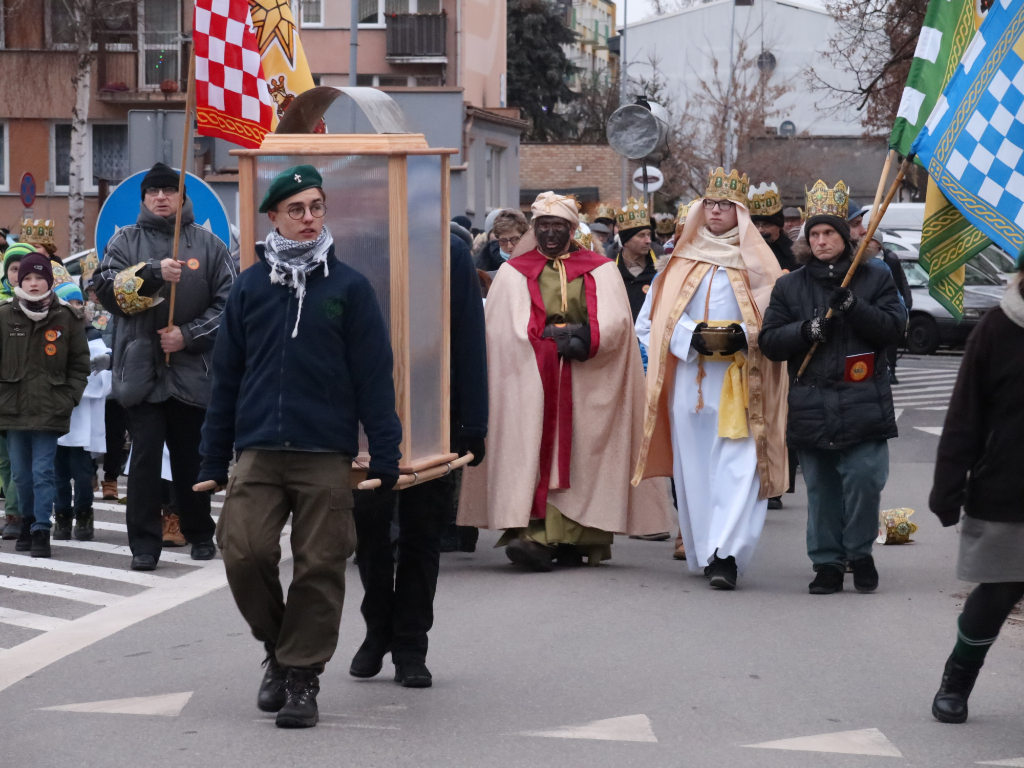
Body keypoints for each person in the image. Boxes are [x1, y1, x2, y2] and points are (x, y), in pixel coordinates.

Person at [197, 165, 402, 728]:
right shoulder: (249, 286)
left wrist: (386, 453)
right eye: (297, 209)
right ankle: (280, 647)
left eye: (316, 207)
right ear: (274, 217)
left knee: (319, 565)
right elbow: (228, 378)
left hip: (325, 453)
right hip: (259, 448)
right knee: (243, 551)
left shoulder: (350, 288)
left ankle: (301, 678)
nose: (309, 218)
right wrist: (213, 457)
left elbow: (374, 378)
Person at [457, 192, 673, 571]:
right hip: (530, 382)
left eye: (559, 227)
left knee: (584, 456)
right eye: (544, 227)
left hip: (586, 378)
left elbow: (618, 324)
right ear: (534, 229)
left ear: (572, 230)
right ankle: (536, 536)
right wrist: (539, 342)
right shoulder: (512, 273)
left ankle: (579, 536)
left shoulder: (601, 269)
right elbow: (501, 332)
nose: (551, 234)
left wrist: (584, 336)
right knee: (530, 452)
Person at [632, 168, 789, 590]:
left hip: (741, 383)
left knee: (741, 469)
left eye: (726, 206)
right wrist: (689, 337)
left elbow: (779, 319)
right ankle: (704, 549)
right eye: (711, 204)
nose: (717, 211)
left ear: (741, 213)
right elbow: (646, 324)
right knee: (696, 469)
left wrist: (746, 336)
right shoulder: (679, 262)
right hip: (689, 384)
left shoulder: (761, 265)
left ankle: (728, 555)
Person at [349, 224, 488, 690]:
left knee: (422, 533)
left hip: (433, 412)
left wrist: (474, 423)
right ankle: (376, 629)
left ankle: (411, 644)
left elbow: (470, 336)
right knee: (369, 530)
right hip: (366, 414)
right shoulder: (354, 243)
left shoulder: (447, 251)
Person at [759, 180, 905, 595]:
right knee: (822, 488)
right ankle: (826, 562)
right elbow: (770, 342)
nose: (822, 241)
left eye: (830, 234)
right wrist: (804, 330)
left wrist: (853, 308)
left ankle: (859, 553)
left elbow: (895, 329)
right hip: (812, 401)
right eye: (815, 234)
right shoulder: (790, 285)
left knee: (864, 478)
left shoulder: (875, 278)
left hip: (864, 400)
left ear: (846, 236)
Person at [92, 162, 235, 571]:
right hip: (140, 371)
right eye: (153, 192)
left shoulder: (208, 245)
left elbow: (229, 304)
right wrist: (152, 275)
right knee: (145, 459)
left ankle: (199, 531)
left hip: (191, 370)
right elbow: (107, 293)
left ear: (182, 198)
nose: (161, 198)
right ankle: (144, 544)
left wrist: (187, 335)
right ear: (142, 200)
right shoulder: (124, 242)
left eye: (168, 192)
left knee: (192, 457)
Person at [927, 268, 1024, 724]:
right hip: (1007, 484)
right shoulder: (998, 326)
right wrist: (949, 484)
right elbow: (965, 411)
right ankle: (958, 679)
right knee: (998, 593)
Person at [0, 253, 90, 558]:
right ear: (19, 281)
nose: (34, 283)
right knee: (21, 475)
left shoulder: (66, 318)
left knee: (43, 473)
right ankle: (26, 520)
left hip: (50, 409)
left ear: (49, 281)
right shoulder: (4, 316)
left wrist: (68, 398)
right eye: (27, 278)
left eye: (39, 278)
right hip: (11, 410)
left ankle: (40, 529)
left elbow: (80, 365)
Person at [52, 281, 110, 542]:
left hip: (83, 423)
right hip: (57, 419)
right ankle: (62, 517)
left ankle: (84, 516)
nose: (75, 307)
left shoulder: (94, 339)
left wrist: (89, 372)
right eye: (69, 302)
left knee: (83, 474)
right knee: (58, 474)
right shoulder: (50, 336)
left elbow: (103, 383)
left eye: (78, 302)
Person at [0, 243, 35, 540]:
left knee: (18, 458)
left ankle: (15, 512)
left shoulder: (38, 306)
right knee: (4, 459)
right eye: (12, 269)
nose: (17, 275)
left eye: (22, 269)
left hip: (24, 394)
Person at [863, 232, 912, 384]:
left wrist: (905, 302)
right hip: (871, 305)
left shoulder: (890, 260)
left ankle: (891, 369)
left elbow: (899, 282)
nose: (868, 244)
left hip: (888, 302)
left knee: (890, 340)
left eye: (872, 241)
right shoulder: (861, 260)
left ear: (879, 244)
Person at [612, 198, 660, 322]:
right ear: (626, 241)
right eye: (641, 235)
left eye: (648, 234)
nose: (648, 240)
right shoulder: (610, 269)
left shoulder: (661, 269)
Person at [749, 182, 798, 273]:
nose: (760, 230)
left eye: (766, 225)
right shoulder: (746, 251)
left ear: (779, 225)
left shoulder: (795, 254)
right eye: (756, 225)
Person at [475, 209, 529, 273]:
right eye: (503, 241)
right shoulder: (484, 267)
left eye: (514, 239)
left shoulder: (536, 262)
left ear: (525, 237)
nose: (509, 246)